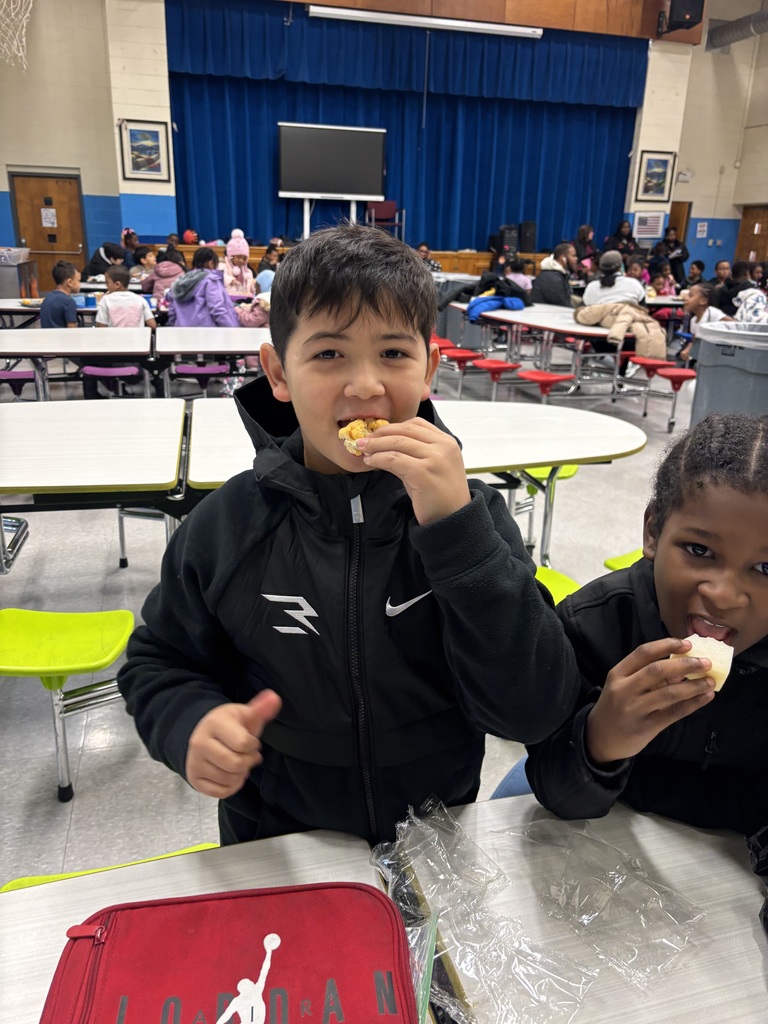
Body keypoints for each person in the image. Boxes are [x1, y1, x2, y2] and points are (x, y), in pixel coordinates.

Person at [116, 223, 580, 846]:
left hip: (437, 840)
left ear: (428, 369)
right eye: (329, 354)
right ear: (279, 373)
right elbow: (159, 659)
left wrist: (456, 530)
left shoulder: (473, 519)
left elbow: (534, 710)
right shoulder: (229, 525)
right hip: (279, 841)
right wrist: (189, 722)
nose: (366, 385)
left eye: (393, 354)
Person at [522, 413, 768, 840]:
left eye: (765, 567)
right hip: (607, 839)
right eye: (699, 549)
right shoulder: (592, 626)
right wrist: (599, 740)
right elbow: (556, 792)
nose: (725, 595)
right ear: (653, 530)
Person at [166, 246, 238, 327]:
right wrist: (232, 329)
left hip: (181, 332)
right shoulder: (210, 281)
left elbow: (172, 312)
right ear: (211, 264)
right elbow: (217, 309)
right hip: (206, 334)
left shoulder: (180, 281)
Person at [677, 282, 730, 366]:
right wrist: (687, 350)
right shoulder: (693, 321)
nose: (685, 298)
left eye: (690, 295)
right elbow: (695, 340)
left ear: (703, 301)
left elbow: (735, 324)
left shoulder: (712, 313)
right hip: (706, 357)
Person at [40, 260, 80, 328]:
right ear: (70, 282)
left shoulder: (47, 297)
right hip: (62, 338)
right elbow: (72, 331)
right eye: (78, 281)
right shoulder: (69, 302)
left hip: (46, 337)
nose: (80, 284)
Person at [221, 229, 255, 296]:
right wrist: (232, 281)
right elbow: (219, 277)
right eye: (239, 257)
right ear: (231, 257)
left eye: (244, 258)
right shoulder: (223, 266)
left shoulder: (248, 272)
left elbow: (251, 289)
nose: (241, 260)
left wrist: (252, 287)